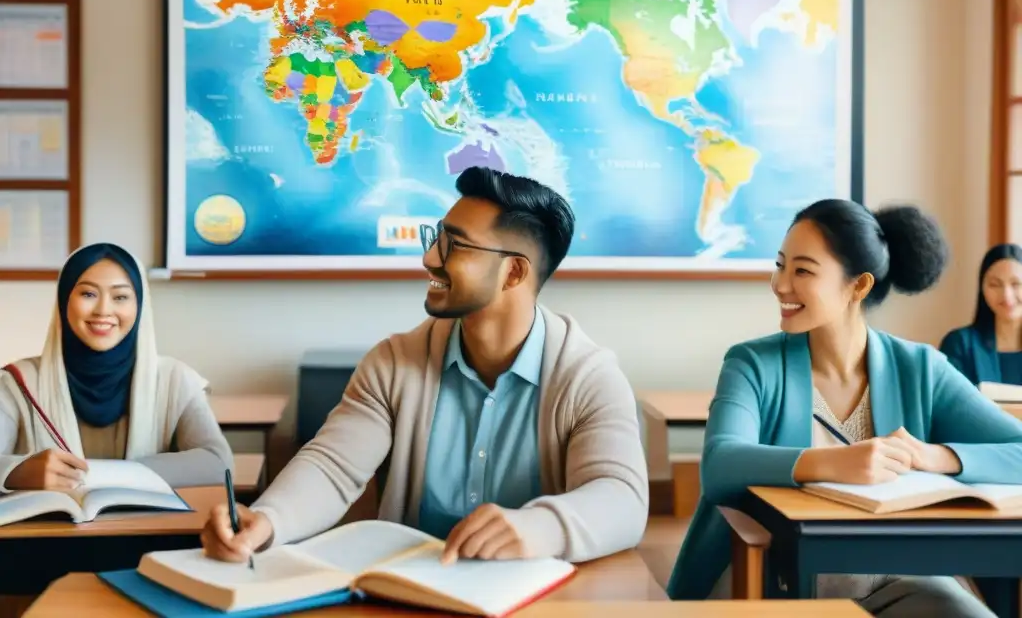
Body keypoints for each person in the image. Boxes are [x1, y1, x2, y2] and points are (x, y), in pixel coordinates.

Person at [201, 166, 648, 564]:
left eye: (455, 246)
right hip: (413, 594)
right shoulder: (392, 364)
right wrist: (267, 520)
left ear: (513, 273)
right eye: (437, 237)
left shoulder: (588, 377)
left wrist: (537, 528)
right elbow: (333, 467)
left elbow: (623, 501)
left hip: (541, 600)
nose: (430, 257)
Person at [668, 200, 1022, 617]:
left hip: (895, 575)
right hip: (774, 573)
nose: (780, 285)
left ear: (859, 286)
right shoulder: (751, 363)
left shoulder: (921, 368)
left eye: (802, 271)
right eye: (780, 265)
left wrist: (934, 456)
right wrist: (836, 463)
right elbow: (719, 465)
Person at [0, 243, 232, 491]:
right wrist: (16, 473)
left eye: (120, 297)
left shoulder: (175, 380)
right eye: (88, 294)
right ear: (64, 300)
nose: (103, 310)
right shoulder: (17, 383)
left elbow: (217, 463)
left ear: (140, 305)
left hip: (152, 529)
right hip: (49, 529)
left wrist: (103, 474)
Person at [939, 244, 1022, 386]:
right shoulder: (959, 344)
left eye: (1016, 284)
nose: (1006, 295)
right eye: (995, 285)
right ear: (982, 289)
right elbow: (948, 404)